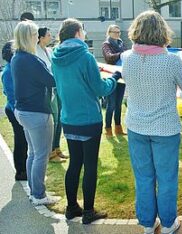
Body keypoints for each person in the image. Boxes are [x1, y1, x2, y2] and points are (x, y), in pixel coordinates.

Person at [122, 11, 182, 234]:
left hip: (136, 126)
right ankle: (169, 223)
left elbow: (126, 96)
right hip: (165, 129)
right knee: (166, 178)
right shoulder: (171, 60)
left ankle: (146, 223)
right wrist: (181, 96)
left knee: (143, 177)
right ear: (162, 31)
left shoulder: (127, 58)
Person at [52, 18, 120, 224]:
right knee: (90, 165)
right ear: (76, 33)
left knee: (75, 163)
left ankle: (71, 207)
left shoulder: (55, 56)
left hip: (68, 118)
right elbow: (100, 89)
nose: (84, 33)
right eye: (83, 30)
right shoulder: (85, 56)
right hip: (89, 119)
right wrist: (114, 79)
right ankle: (89, 211)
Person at [11, 20, 60, 205]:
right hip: (37, 112)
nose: (36, 37)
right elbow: (51, 80)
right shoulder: (30, 60)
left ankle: (34, 191)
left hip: (23, 111)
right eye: (34, 34)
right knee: (41, 154)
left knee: (33, 153)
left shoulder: (18, 57)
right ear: (29, 37)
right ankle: (39, 195)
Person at [36, 27, 68, 162]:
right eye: (48, 35)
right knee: (54, 118)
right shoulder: (36, 53)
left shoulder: (49, 51)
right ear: (41, 38)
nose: (51, 37)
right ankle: (50, 152)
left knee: (60, 117)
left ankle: (56, 147)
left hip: (57, 87)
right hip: (48, 91)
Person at [1, 41, 28, 181]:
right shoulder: (9, 71)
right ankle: (21, 171)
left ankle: (25, 169)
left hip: (18, 109)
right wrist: (20, 113)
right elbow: (11, 96)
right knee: (21, 140)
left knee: (25, 140)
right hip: (14, 110)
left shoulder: (15, 68)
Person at [102, 24, 127, 137]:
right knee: (111, 104)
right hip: (111, 77)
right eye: (115, 32)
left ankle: (118, 128)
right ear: (109, 32)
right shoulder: (106, 44)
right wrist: (121, 54)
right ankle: (108, 129)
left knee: (118, 104)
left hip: (121, 76)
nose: (117, 34)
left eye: (119, 32)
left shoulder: (121, 43)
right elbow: (109, 57)